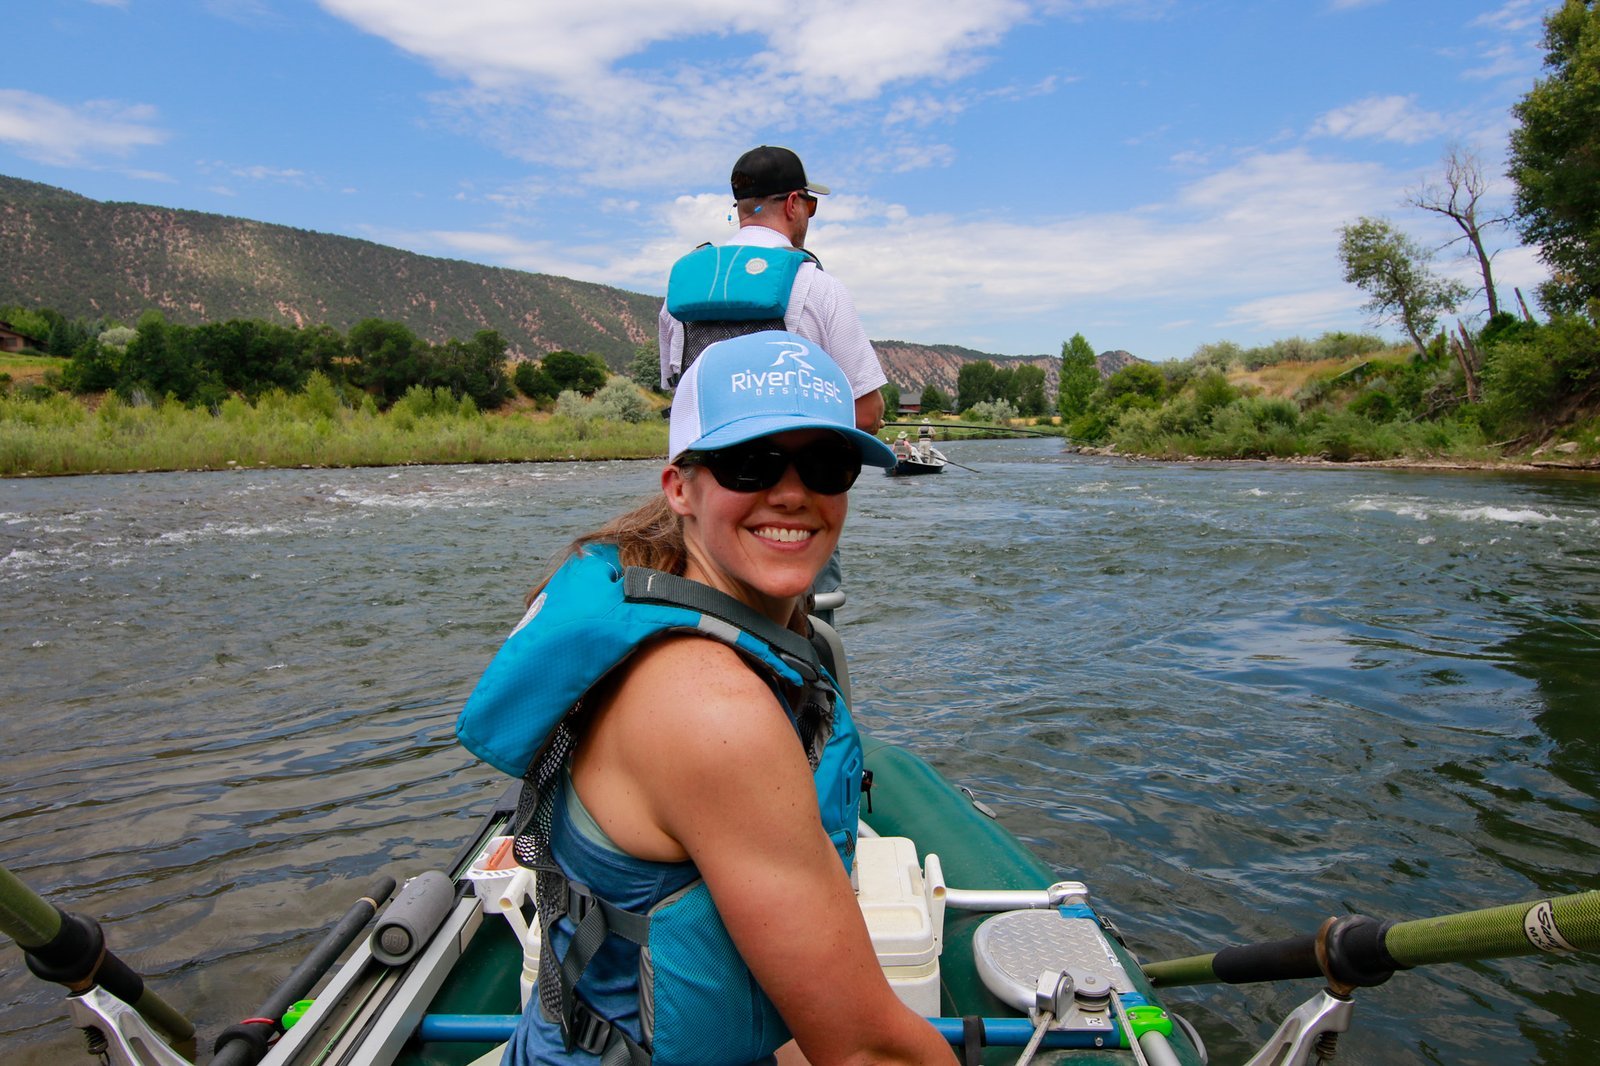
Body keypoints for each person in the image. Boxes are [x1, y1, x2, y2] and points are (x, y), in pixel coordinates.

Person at [457, 331, 954, 1066]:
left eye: (827, 464)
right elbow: (863, 1050)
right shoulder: (710, 707)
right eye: (749, 462)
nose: (793, 493)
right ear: (680, 488)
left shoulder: (689, 620)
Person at [658, 146, 887, 437]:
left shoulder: (680, 293)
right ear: (792, 204)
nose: (808, 215)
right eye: (810, 205)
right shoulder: (821, 288)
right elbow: (865, 414)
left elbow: (682, 401)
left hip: (707, 463)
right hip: (792, 463)